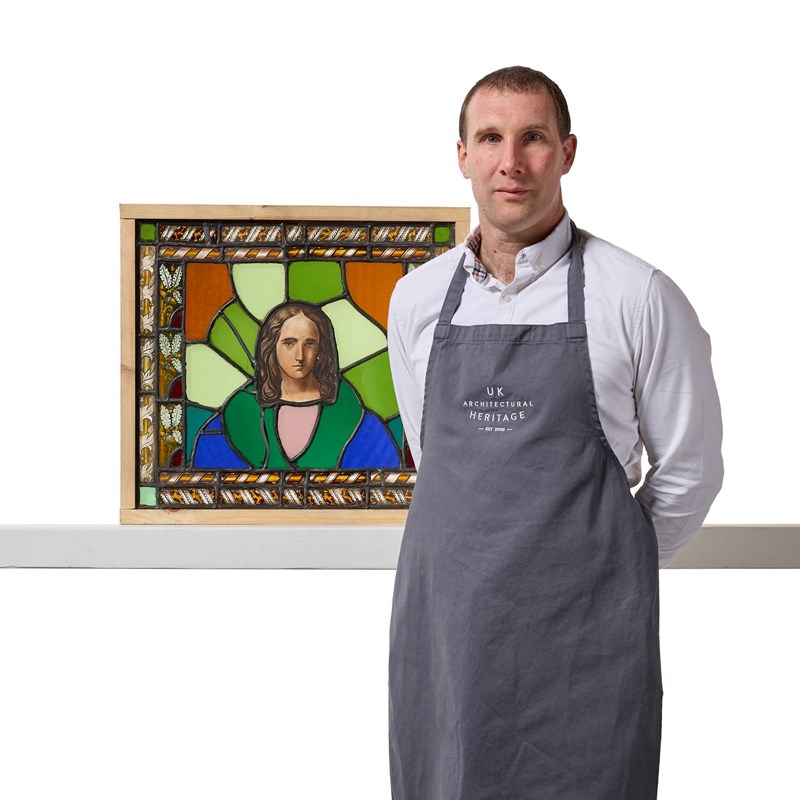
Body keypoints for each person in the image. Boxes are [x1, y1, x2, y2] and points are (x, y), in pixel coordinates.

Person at [387, 66, 723, 799]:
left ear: (567, 152)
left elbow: (690, 472)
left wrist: (607, 574)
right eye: (491, 138)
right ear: (463, 156)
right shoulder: (415, 300)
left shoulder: (638, 296)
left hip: (588, 651)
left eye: (533, 138)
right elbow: (432, 458)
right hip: (449, 641)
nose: (511, 162)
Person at [192, 302, 400, 469]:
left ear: (321, 349)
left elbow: (383, 479)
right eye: (289, 343)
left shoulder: (355, 418)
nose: (300, 355)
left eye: (309, 343)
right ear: (270, 347)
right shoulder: (238, 413)